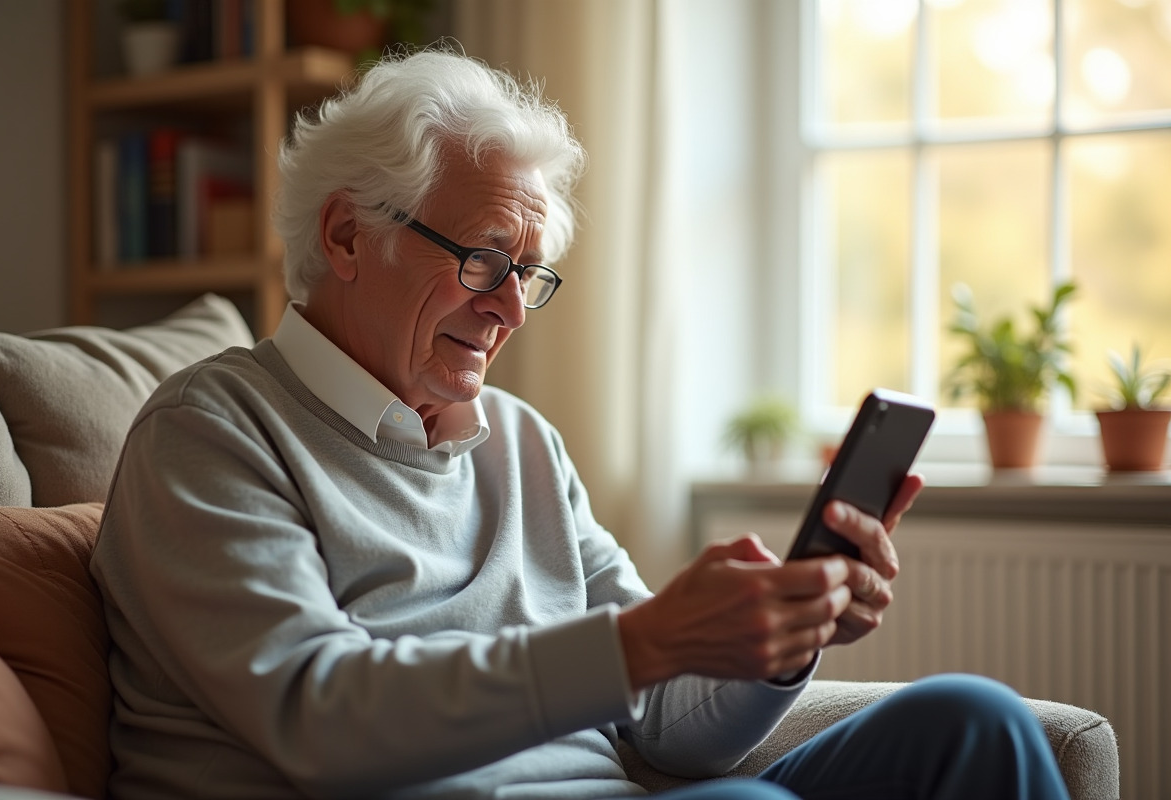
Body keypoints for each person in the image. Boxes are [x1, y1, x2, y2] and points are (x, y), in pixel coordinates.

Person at [89, 47, 1070, 800]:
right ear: (347, 233)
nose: (511, 310)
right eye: (481, 260)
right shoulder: (209, 431)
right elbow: (318, 713)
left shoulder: (520, 443)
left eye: (529, 274)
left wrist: (775, 639)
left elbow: (661, 726)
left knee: (975, 723)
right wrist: (640, 640)